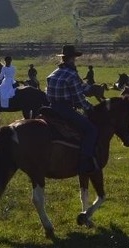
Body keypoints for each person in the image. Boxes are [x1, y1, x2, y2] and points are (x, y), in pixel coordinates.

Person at [46, 44, 97, 174]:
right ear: (71, 59)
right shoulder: (71, 75)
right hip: (65, 110)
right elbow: (79, 100)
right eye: (74, 58)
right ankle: (85, 161)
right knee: (91, 130)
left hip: (51, 108)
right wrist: (91, 108)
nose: (75, 61)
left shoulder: (53, 74)